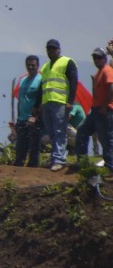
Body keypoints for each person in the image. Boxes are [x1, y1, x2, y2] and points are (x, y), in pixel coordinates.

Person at [35, 39, 78, 172]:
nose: (51, 51)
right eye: (49, 49)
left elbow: (73, 82)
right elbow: (41, 87)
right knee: (52, 131)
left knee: (59, 130)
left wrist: (70, 101)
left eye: (53, 49)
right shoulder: (45, 67)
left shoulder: (67, 62)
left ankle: (59, 160)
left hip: (60, 102)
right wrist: (38, 104)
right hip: (47, 102)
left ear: (59, 49)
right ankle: (55, 158)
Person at [75, 48, 113, 167]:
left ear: (104, 58)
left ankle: (110, 165)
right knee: (82, 131)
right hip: (96, 110)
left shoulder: (107, 71)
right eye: (95, 58)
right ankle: (82, 161)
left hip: (105, 110)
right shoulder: (99, 72)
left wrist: (104, 106)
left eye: (99, 57)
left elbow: (111, 88)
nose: (96, 60)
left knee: (106, 137)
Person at [12, 55, 42, 167]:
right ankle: (19, 166)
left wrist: (35, 116)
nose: (31, 67)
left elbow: (41, 100)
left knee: (34, 146)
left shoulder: (41, 80)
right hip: (22, 118)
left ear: (37, 66)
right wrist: (18, 117)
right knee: (20, 146)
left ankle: (33, 169)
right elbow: (20, 99)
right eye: (28, 65)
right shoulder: (23, 80)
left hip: (34, 118)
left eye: (33, 65)